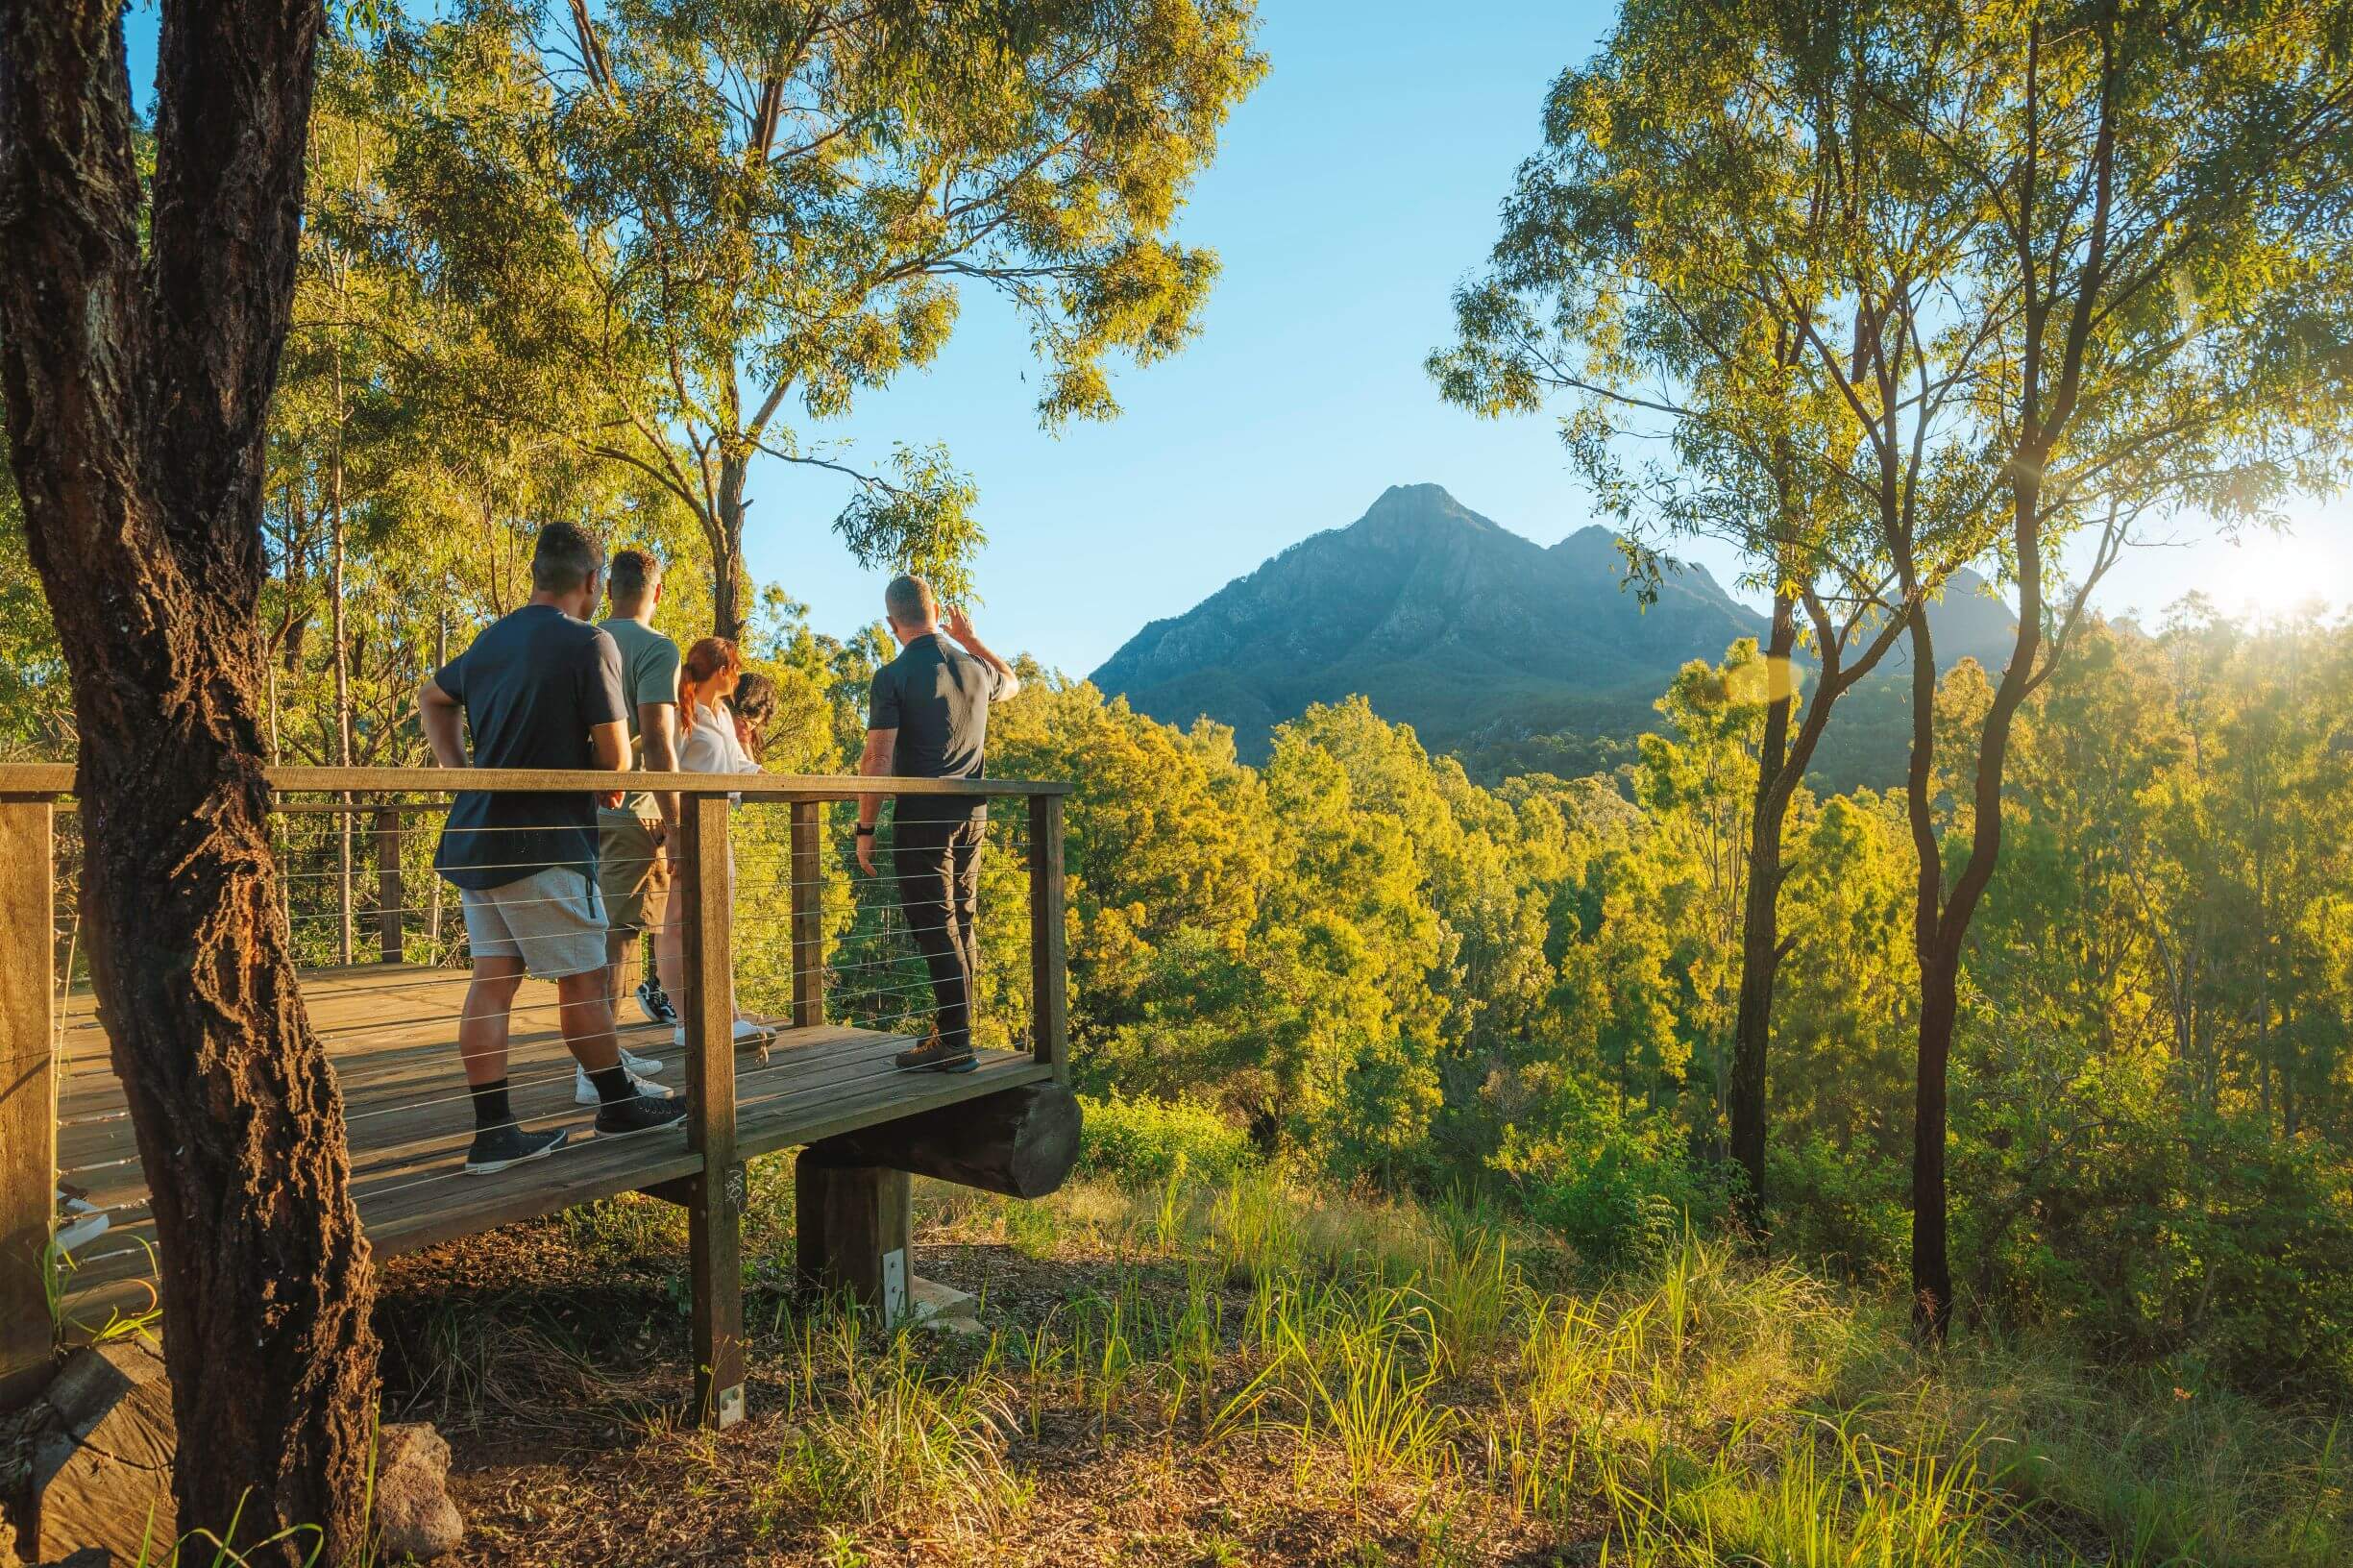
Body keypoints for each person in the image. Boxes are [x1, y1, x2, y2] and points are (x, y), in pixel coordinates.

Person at [418, 522, 690, 1173]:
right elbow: (618, 755)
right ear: (592, 582)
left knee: (493, 981)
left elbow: (432, 696)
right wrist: (609, 784)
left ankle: (494, 1134)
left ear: (535, 575)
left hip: (478, 838)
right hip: (543, 844)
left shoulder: (490, 639)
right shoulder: (587, 641)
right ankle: (618, 1105)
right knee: (584, 982)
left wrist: (462, 776)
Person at [855, 576, 1020, 1073]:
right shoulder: (974, 668)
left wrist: (866, 828)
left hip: (923, 818)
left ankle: (956, 1040)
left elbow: (878, 757)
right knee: (961, 920)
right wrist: (972, 642)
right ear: (934, 613)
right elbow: (1012, 682)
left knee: (935, 926)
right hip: (973, 815)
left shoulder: (893, 676)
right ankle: (954, 1033)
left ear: (892, 623)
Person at [593, 549, 685, 1109]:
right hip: (631, 812)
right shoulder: (655, 649)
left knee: (596, 933)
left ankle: (606, 1052)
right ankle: (597, 1070)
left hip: (579, 809)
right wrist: (675, 824)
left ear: (608, 591)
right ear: (659, 592)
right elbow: (658, 743)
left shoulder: (584, 639)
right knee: (620, 938)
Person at [673, 637, 772, 1049]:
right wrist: (670, 828)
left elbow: (736, 765)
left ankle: (722, 1017)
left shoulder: (720, 713)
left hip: (719, 829)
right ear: (722, 671)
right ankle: (693, 1022)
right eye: (735, 668)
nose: (738, 676)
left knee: (718, 926)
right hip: (687, 831)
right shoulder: (685, 713)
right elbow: (666, 769)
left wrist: (761, 774)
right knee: (683, 929)